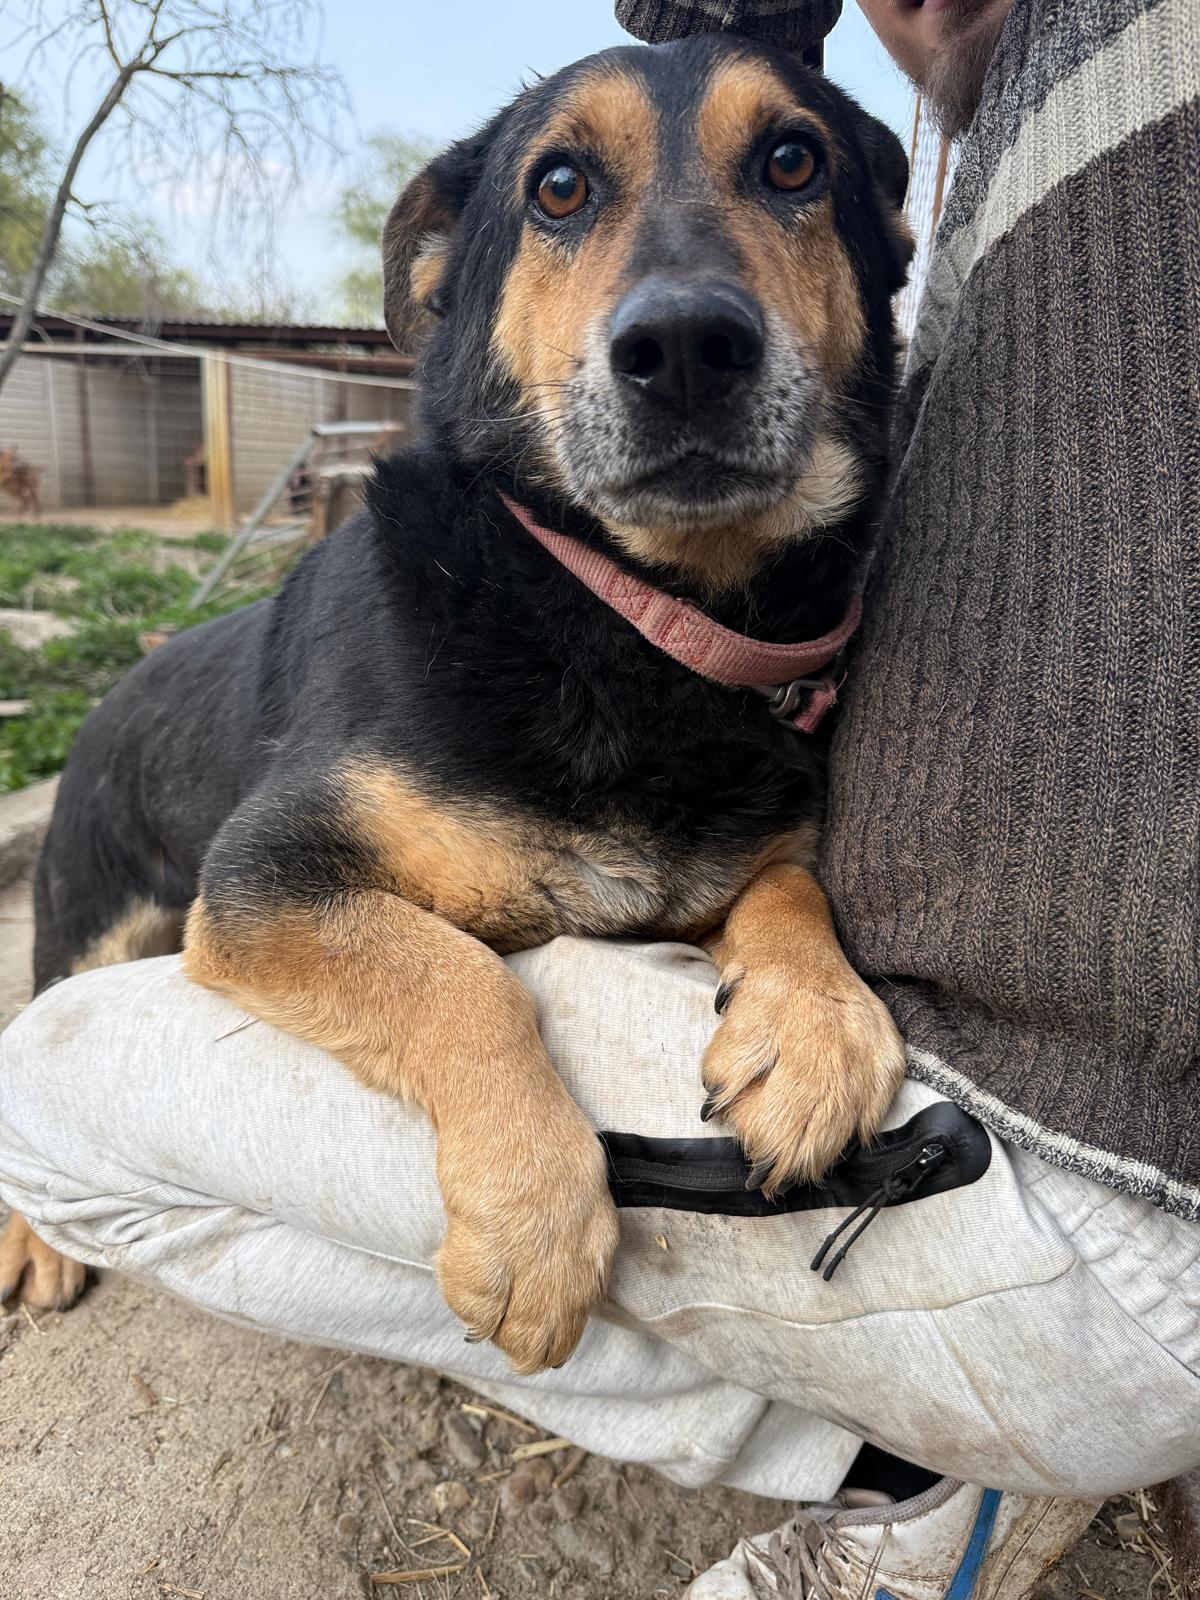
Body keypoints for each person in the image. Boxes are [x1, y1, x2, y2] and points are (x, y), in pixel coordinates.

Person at [1, 0, 1197, 1595]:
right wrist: (476, 1066)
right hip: (143, 798)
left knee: (72, 1099)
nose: (681, 306)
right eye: (565, 195)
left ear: (870, 266)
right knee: (61, 1037)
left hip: (1097, 1231)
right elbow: (262, 905)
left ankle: (907, 1469)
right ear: (455, 290)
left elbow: (743, 858)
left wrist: (789, 935)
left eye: (785, 172)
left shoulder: (818, 630)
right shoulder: (427, 634)